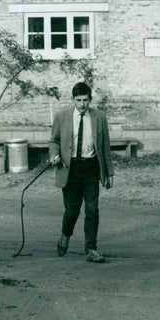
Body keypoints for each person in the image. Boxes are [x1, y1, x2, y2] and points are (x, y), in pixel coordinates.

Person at [48, 82, 114, 263]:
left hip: (91, 168)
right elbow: (54, 141)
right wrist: (54, 155)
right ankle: (65, 235)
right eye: (78, 100)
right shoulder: (62, 117)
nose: (82, 104)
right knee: (72, 210)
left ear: (90, 99)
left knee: (92, 209)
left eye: (86, 100)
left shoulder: (99, 117)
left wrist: (109, 172)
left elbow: (105, 146)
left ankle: (91, 249)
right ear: (73, 100)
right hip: (70, 169)